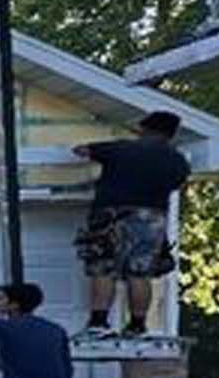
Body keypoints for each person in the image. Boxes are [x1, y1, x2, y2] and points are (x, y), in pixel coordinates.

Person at [72, 110, 191, 337]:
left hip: (109, 214)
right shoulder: (177, 160)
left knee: (103, 267)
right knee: (140, 272)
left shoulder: (121, 148)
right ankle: (137, 325)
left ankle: (98, 323)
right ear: (171, 135)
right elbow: (178, 183)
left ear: (144, 129)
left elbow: (81, 150)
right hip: (150, 217)